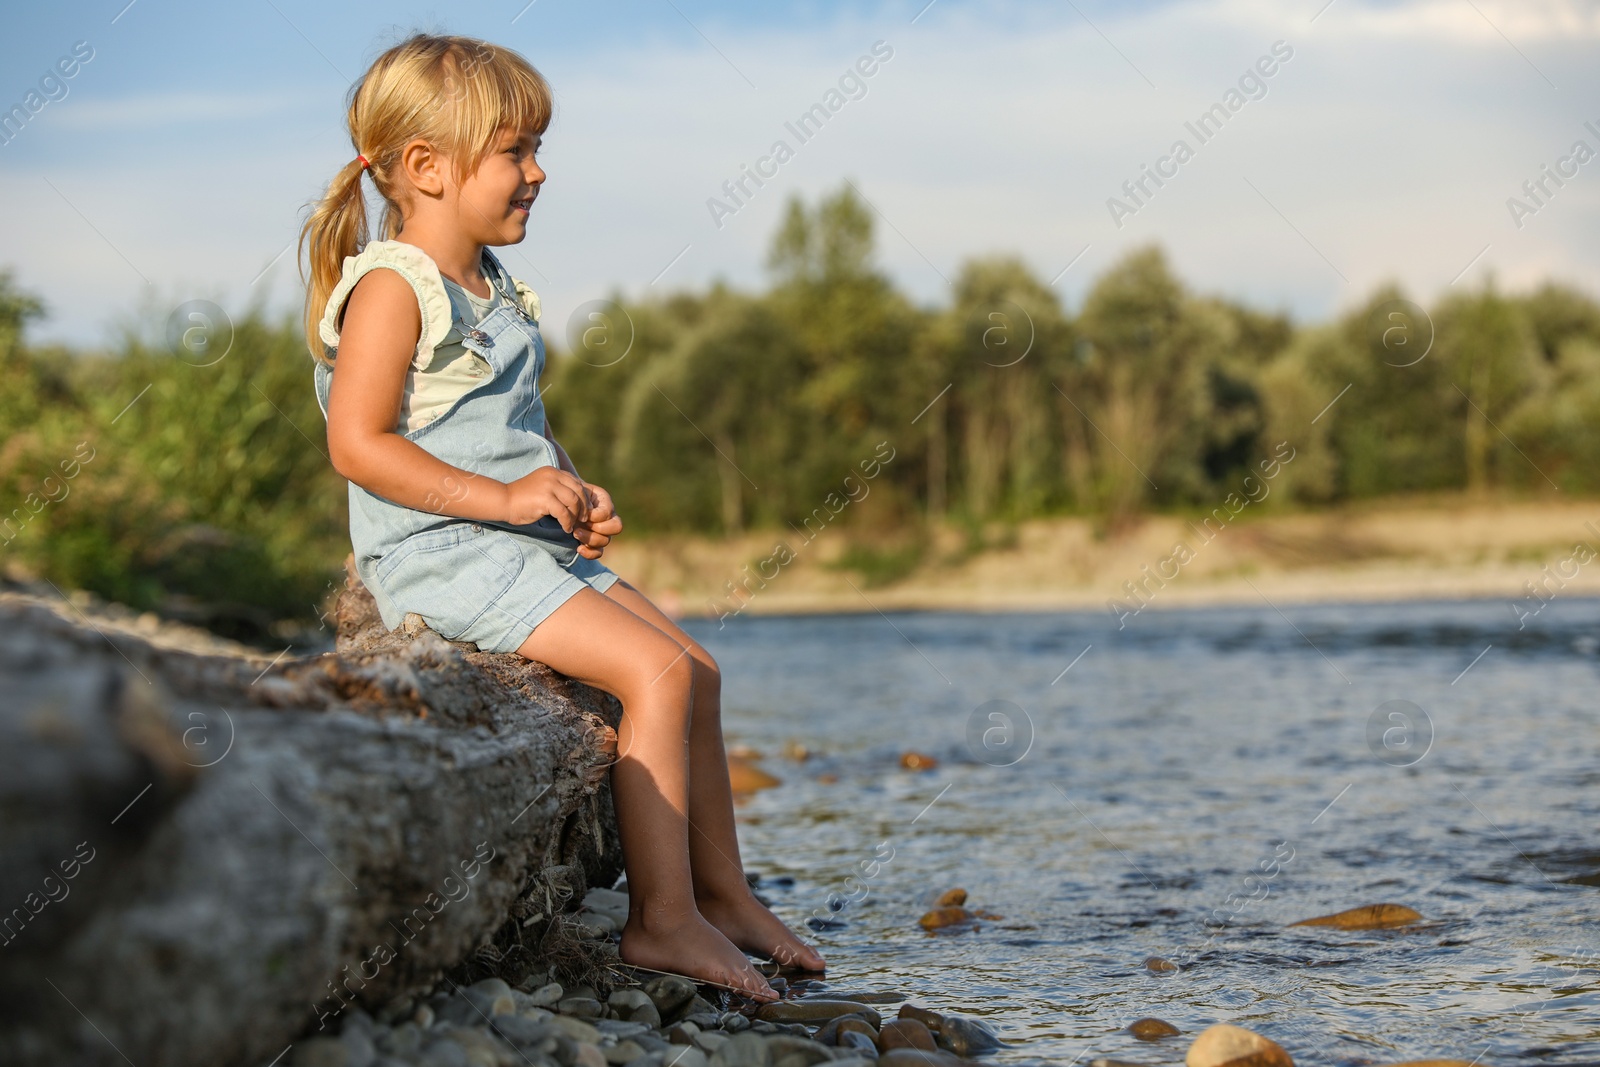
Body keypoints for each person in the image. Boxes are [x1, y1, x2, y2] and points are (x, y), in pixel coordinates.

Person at [298, 32, 823, 1000]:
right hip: (442, 550)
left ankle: (723, 892)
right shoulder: (390, 286)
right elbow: (359, 443)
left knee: (697, 668)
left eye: (535, 149)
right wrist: (504, 499)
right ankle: (660, 921)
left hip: (514, 543)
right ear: (426, 167)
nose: (538, 172)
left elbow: (507, 427)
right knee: (653, 671)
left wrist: (566, 485)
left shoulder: (486, 283)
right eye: (515, 150)